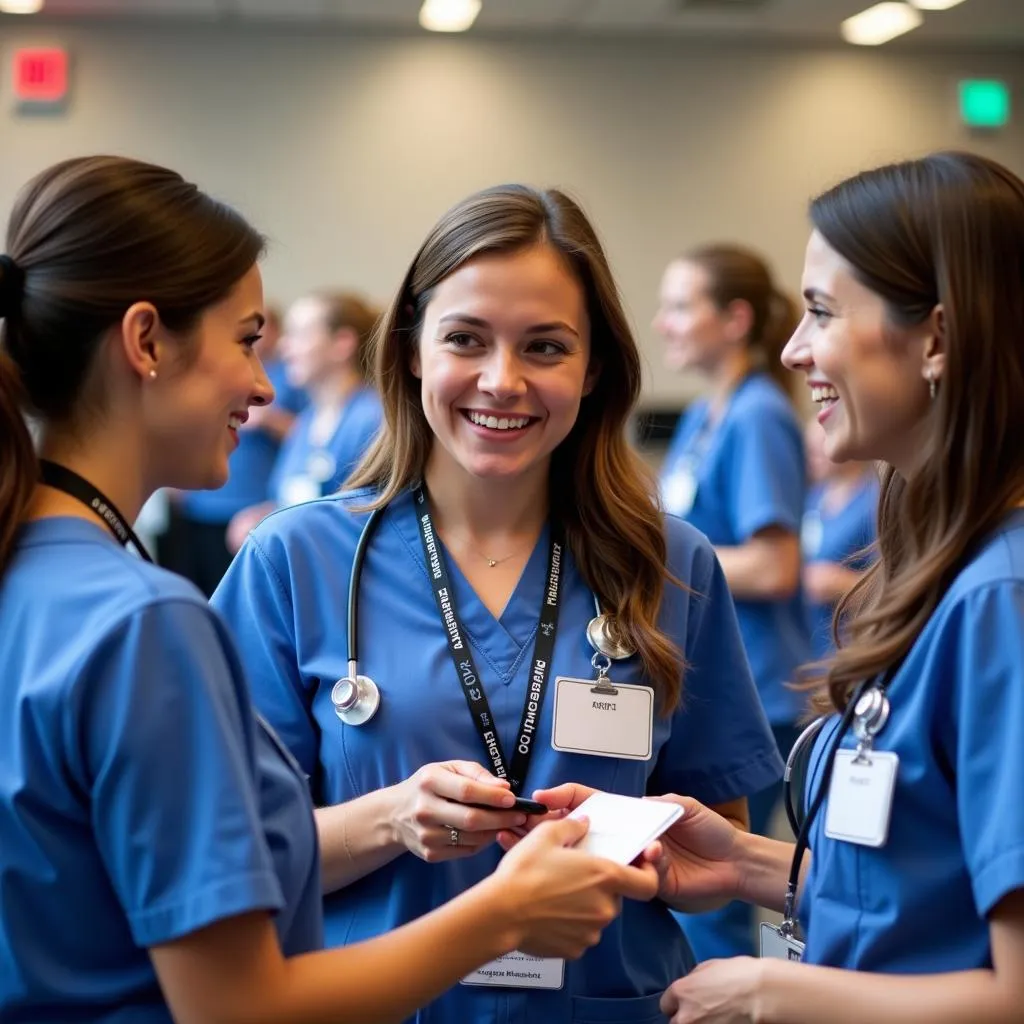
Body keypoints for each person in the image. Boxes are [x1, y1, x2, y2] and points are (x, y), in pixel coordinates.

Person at [0, 155, 662, 1024]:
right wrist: (498, 913)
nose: (266, 384)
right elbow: (237, 1007)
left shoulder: (32, 578)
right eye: (247, 340)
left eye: (545, 346)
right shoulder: (148, 621)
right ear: (146, 342)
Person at [211, 183, 784, 1023]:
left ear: (594, 369)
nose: (501, 381)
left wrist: (639, 852)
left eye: (546, 347)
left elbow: (709, 867)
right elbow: (231, 857)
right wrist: (390, 819)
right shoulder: (295, 562)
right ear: (411, 351)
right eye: (466, 340)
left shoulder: (671, 565)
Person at [651, 151, 1024, 1022]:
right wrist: (749, 865)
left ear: (935, 338)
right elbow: (920, 898)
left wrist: (773, 990)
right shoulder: (940, 573)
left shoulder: (1000, 603)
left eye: (821, 311)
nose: (794, 348)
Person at [653, 244, 811, 960]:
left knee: (709, 889)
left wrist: (656, 557)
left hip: (758, 685)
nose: (664, 323)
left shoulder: (757, 416)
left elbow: (777, 565)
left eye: (682, 306)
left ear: (736, 319)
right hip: (700, 673)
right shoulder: (702, 417)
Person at [159, 304, 307, 595]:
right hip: (201, 506)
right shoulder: (219, 375)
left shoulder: (288, 379)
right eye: (245, 340)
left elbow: (308, 436)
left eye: (255, 337)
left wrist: (270, 420)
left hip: (248, 506)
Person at [226, 291, 382, 551]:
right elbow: (295, 496)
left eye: (300, 335)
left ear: (342, 343)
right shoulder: (308, 421)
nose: (285, 347)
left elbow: (370, 520)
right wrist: (264, 516)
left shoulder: (372, 422)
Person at [801, 418, 878, 662]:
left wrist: (841, 584)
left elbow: (893, 584)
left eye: (819, 448)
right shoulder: (814, 498)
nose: (813, 456)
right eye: (809, 449)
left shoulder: (872, 502)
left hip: (851, 645)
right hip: (810, 646)